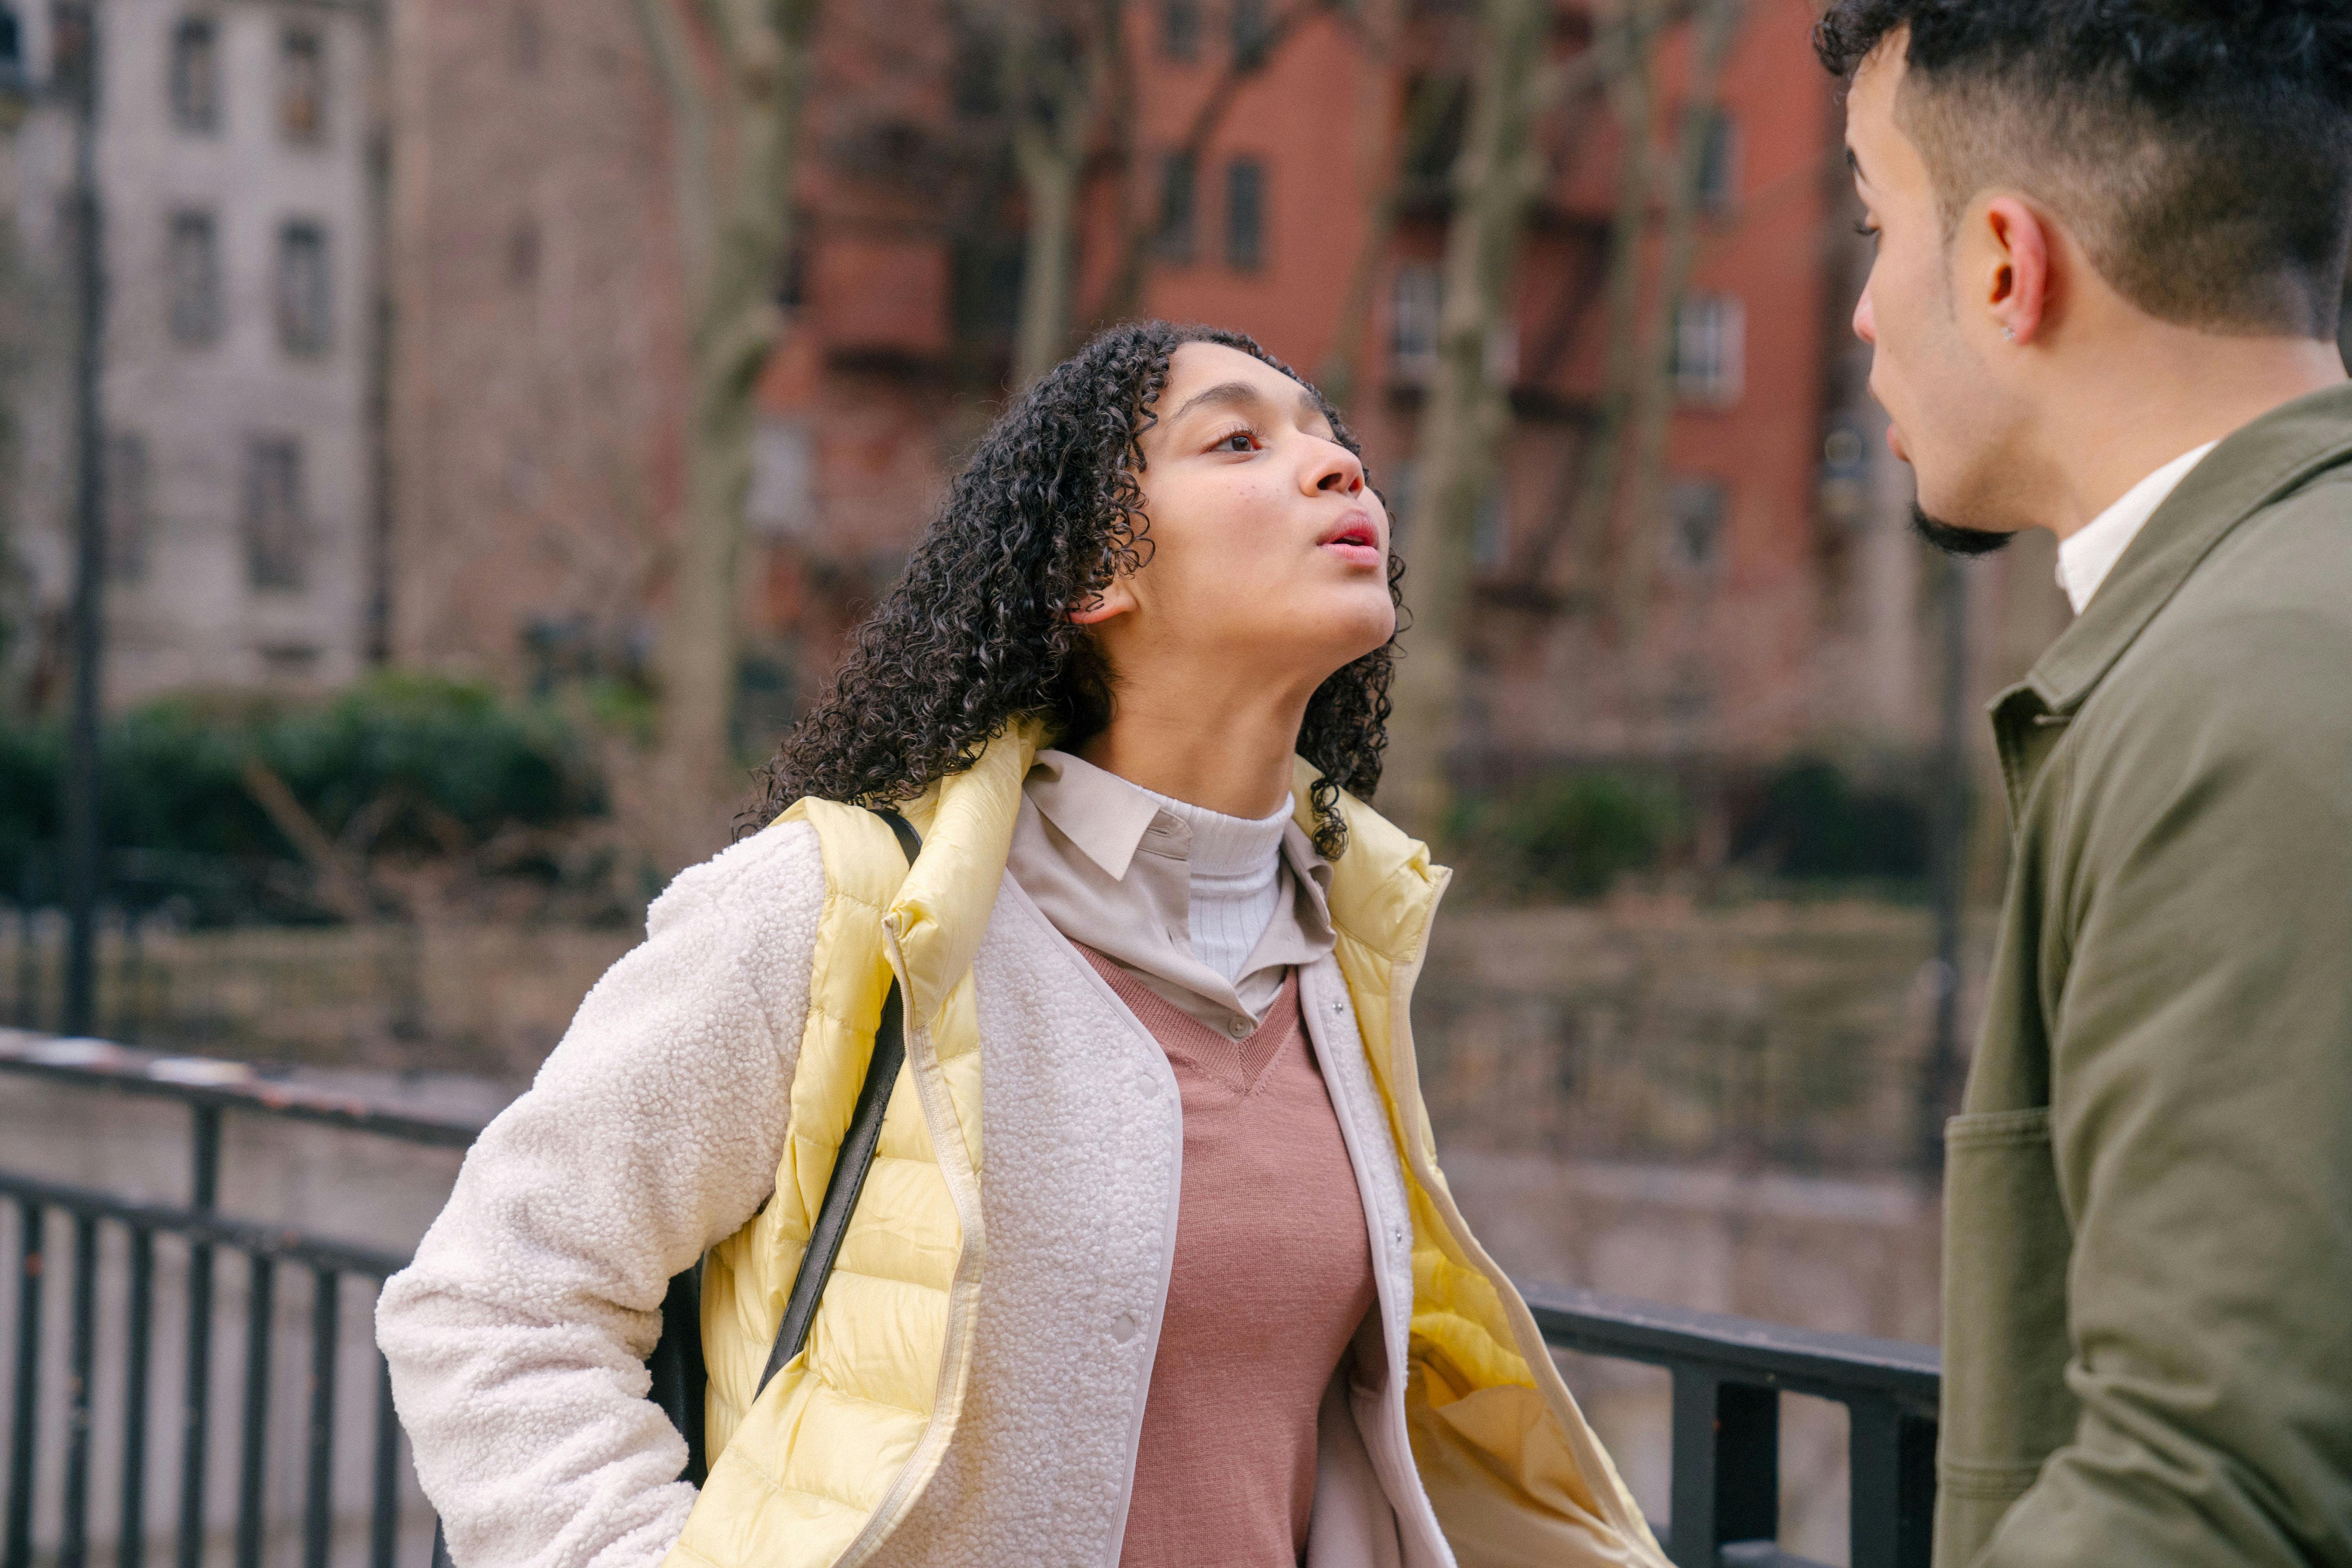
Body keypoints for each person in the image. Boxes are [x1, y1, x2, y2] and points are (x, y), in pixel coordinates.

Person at [376, 321, 1665, 1568]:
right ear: (1093, 578)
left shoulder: (1347, 951)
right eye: (1235, 444)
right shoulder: (843, 908)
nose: (1342, 466)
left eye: (1334, 439)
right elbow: (498, 1299)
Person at [1816, 4, 2352, 1565]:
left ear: (2002, 264)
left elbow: (2212, 1492)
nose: (1860, 310)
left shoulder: (2253, 685)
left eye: (1873, 221)